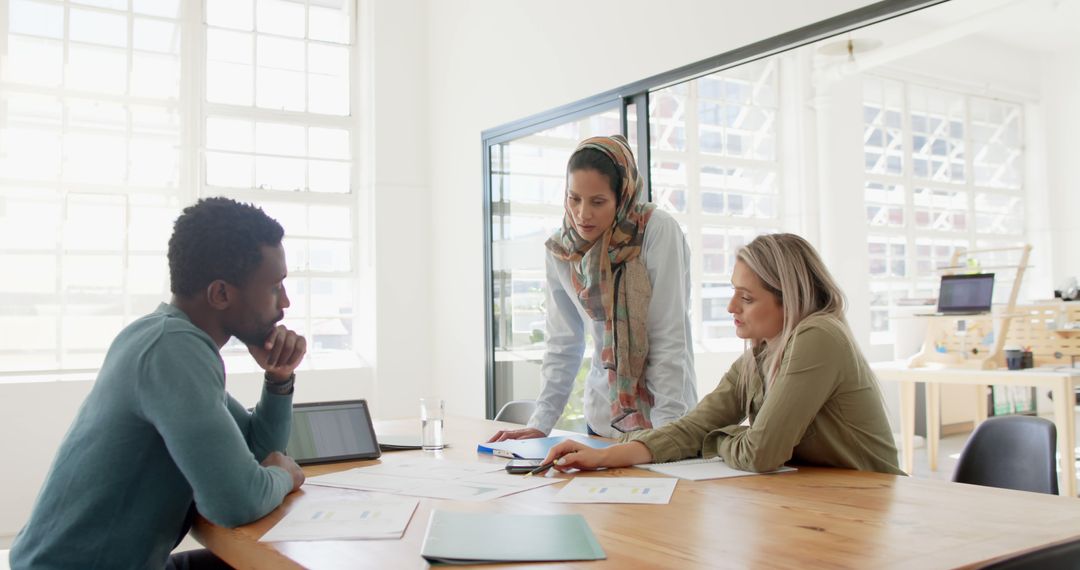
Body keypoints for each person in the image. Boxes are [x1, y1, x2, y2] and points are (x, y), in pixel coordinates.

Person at [10, 198, 308, 570]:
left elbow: (259, 451)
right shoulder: (172, 349)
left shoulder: (162, 336)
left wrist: (278, 378)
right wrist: (284, 475)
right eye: (275, 287)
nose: (286, 302)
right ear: (220, 294)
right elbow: (237, 503)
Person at [541, 233, 904, 475]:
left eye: (746, 298)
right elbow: (694, 426)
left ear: (789, 299)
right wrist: (605, 456)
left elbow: (761, 453)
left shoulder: (818, 336)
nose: (732, 306)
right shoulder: (758, 357)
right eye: (734, 292)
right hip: (828, 503)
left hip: (883, 503)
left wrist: (715, 439)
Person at [489, 134, 698, 441]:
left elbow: (668, 338)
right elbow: (563, 342)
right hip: (602, 422)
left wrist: (666, 435)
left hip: (662, 421)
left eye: (598, 202)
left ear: (622, 196)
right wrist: (540, 423)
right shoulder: (562, 250)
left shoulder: (656, 231)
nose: (582, 214)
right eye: (574, 198)